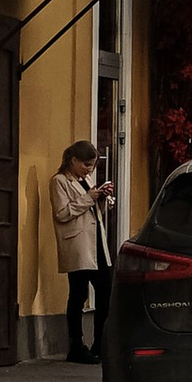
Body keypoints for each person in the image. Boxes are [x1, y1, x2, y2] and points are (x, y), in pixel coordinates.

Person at [50, 138, 114, 365]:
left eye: (93, 166)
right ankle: (76, 346)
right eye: (86, 164)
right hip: (78, 245)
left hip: (96, 243)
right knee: (78, 295)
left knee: (106, 291)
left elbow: (92, 211)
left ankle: (100, 343)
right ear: (73, 160)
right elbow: (62, 213)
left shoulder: (85, 180)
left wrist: (102, 199)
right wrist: (89, 198)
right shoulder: (59, 181)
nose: (90, 169)